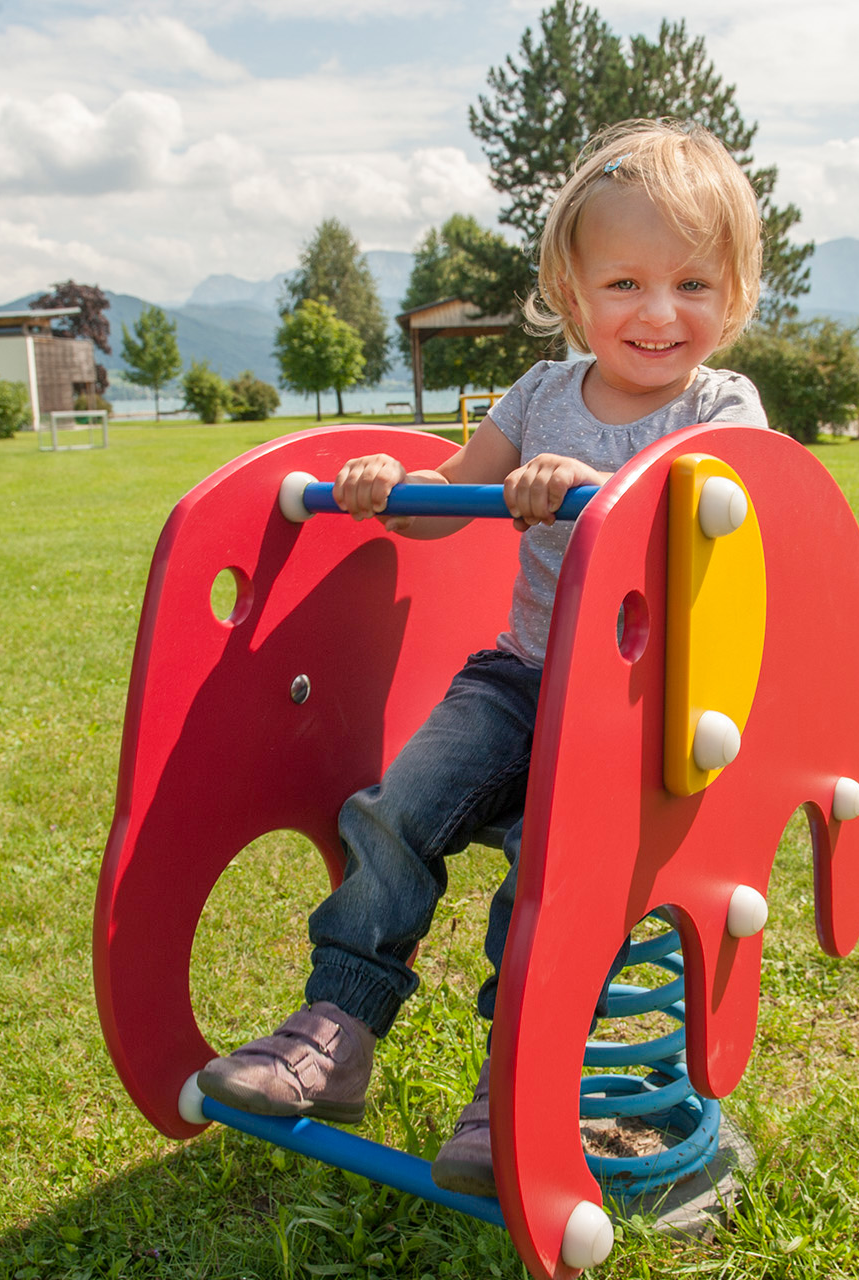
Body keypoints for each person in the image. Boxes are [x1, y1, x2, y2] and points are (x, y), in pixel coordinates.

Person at [197, 118, 770, 1196]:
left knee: (552, 877)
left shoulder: (717, 409)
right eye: (627, 281)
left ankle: (516, 1080)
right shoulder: (538, 396)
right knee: (393, 808)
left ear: (735, 295)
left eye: (694, 283)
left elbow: (710, 515)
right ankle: (338, 1028)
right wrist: (387, 486)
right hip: (519, 677)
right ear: (569, 285)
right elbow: (443, 505)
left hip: (636, 706)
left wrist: (593, 488)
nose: (659, 313)